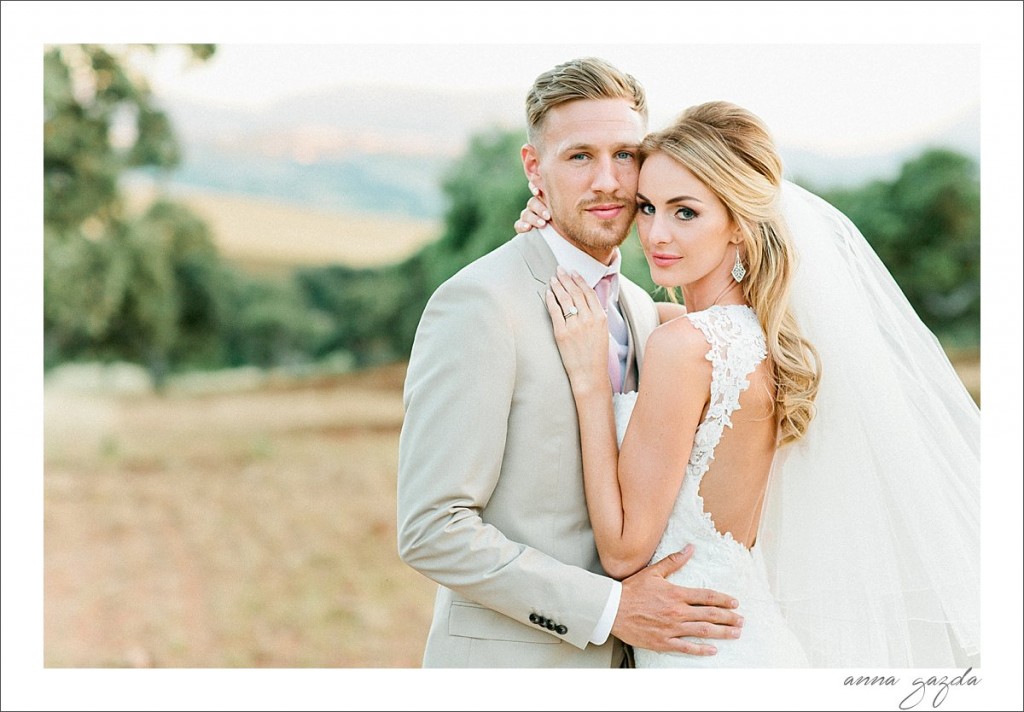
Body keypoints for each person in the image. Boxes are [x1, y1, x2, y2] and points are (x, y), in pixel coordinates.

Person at [521, 100, 981, 667]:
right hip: (741, 635)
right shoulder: (756, 334)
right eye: (646, 207)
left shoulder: (684, 347)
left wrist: (592, 385)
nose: (656, 233)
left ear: (738, 223)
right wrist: (562, 239)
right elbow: (623, 307)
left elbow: (621, 552)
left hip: (697, 654)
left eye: (685, 212)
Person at [396, 58, 744, 668]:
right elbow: (432, 529)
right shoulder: (480, 304)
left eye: (625, 155)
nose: (608, 181)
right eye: (579, 157)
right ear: (535, 169)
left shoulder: (642, 309)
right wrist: (609, 610)